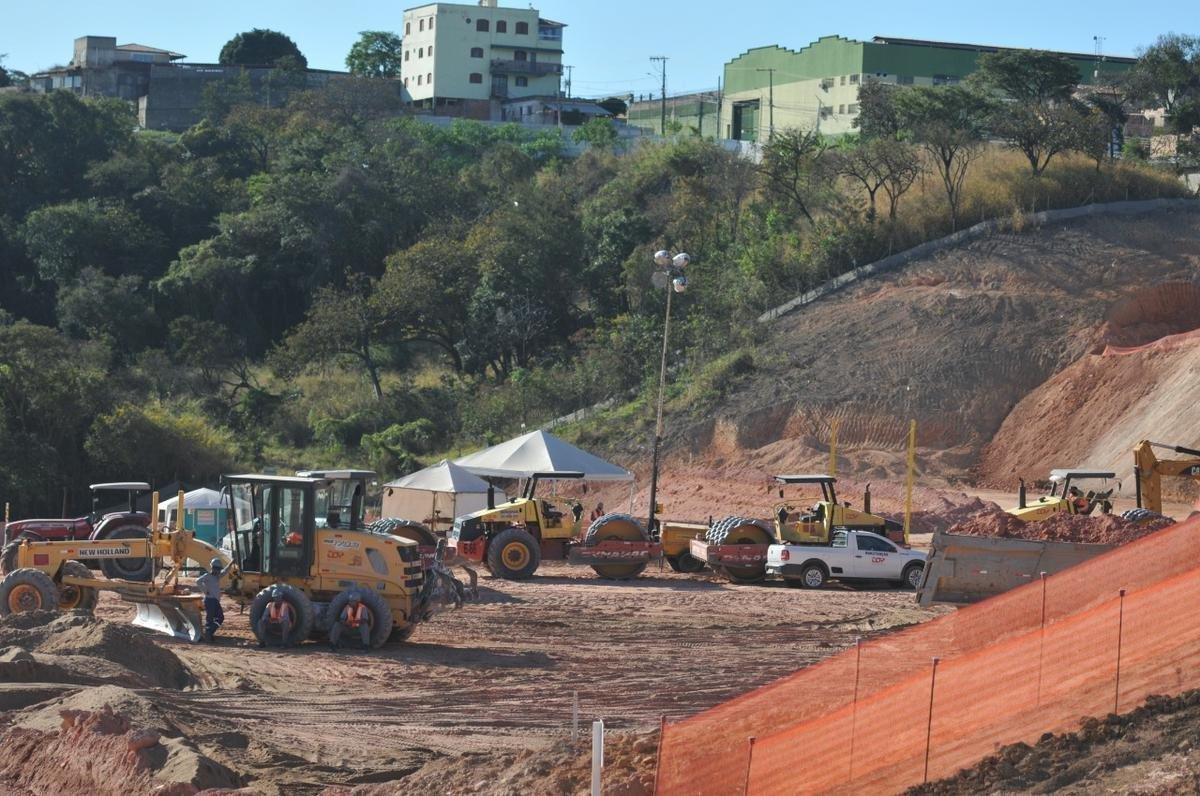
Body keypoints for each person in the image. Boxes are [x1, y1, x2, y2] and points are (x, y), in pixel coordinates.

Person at [196, 558, 225, 642]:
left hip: (215, 601)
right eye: (218, 569)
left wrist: (231, 564)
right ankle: (208, 634)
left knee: (220, 618)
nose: (219, 571)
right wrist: (205, 591)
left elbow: (224, 572)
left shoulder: (217, 577)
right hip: (210, 601)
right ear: (213, 568)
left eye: (220, 569)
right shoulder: (207, 576)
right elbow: (198, 581)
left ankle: (209, 632)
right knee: (210, 619)